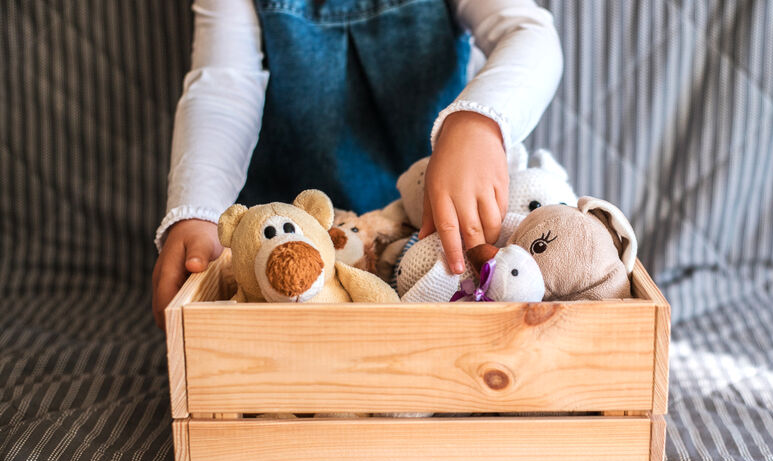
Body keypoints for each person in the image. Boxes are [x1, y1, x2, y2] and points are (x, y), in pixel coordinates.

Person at [152, 0, 562, 328]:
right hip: (301, 249)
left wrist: (479, 121)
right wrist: (198, 212)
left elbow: (528, 32)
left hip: (433, 227)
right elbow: (223, 88)